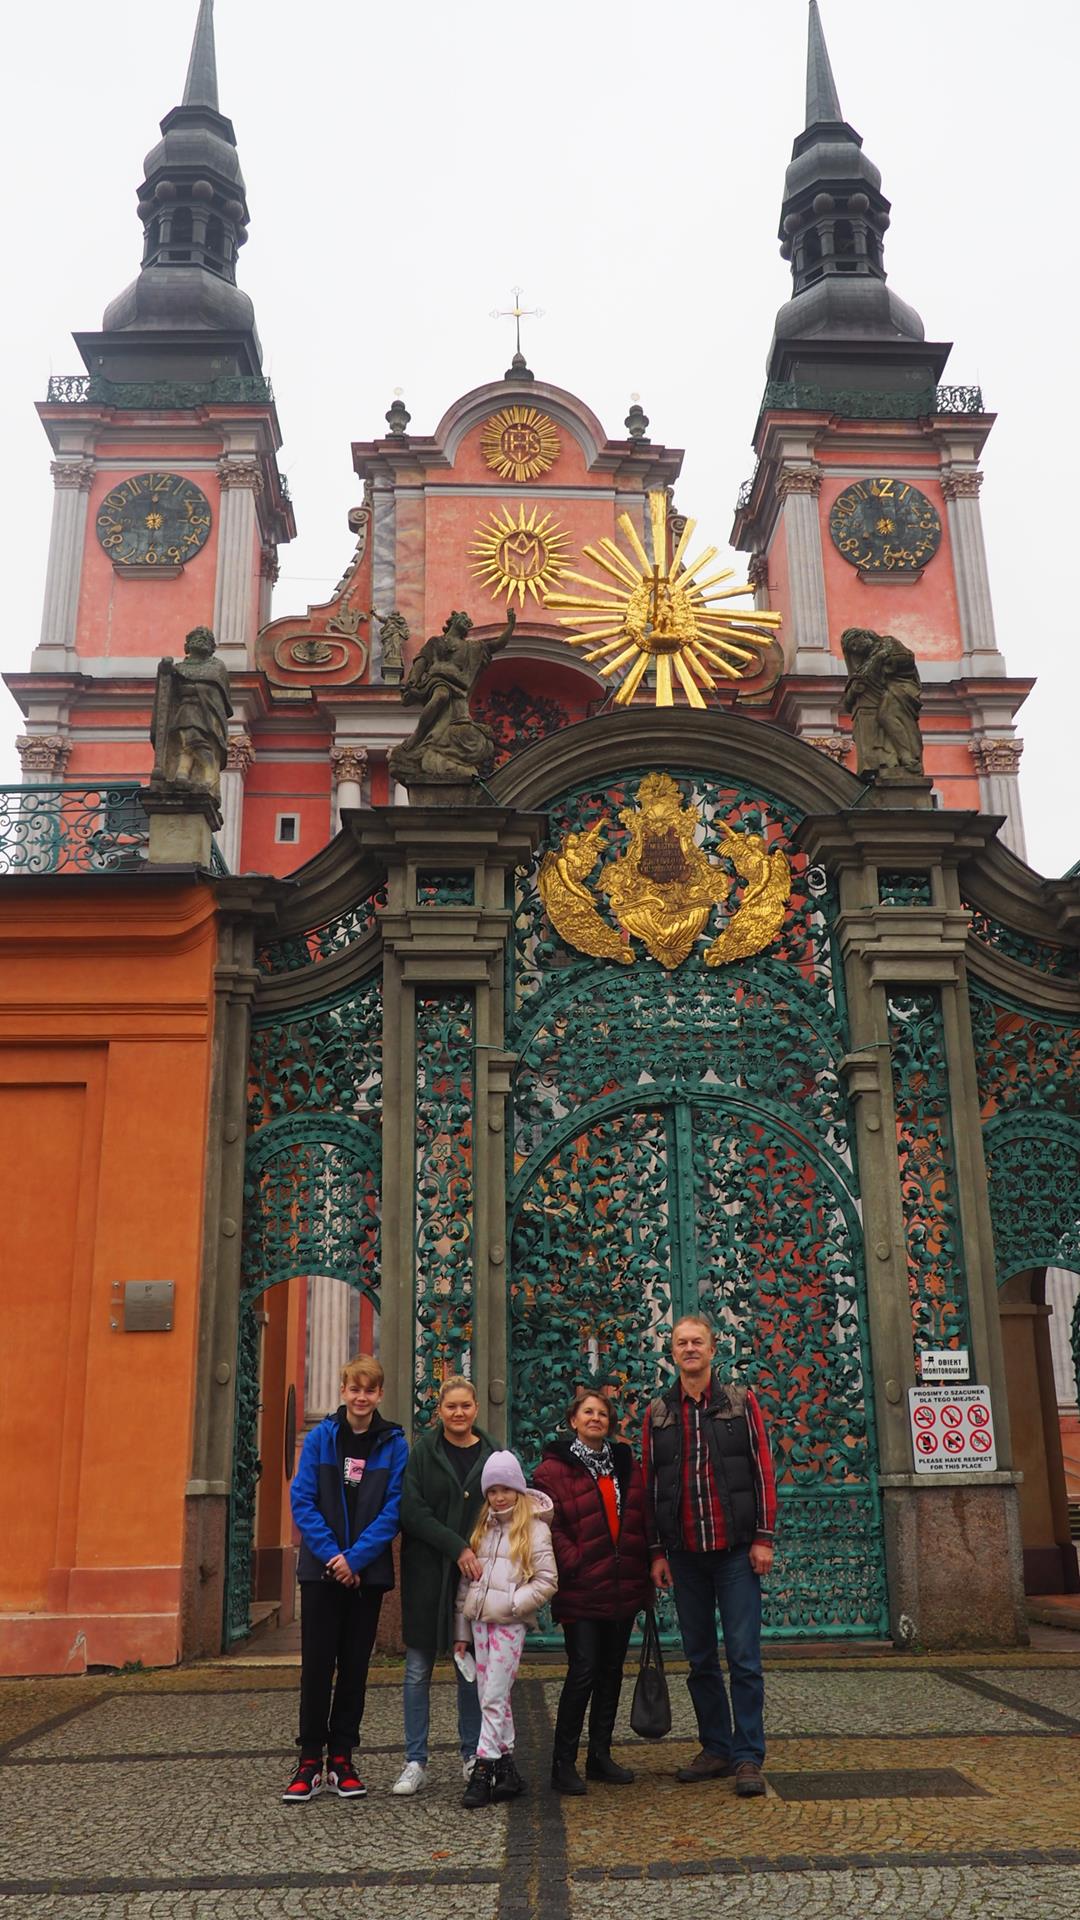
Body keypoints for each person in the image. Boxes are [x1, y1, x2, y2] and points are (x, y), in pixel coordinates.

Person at [644, 1315, 777, 1798]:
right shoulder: (658, 1411)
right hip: (684, 1555)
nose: (689, 1348)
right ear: (673, 1352)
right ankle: (717, 1747)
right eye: (681, 1342)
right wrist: (656, 1551)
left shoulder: (741, 1402)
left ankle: (748, 1756)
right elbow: (651, 1484)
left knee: (743, 1657)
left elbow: (762, 1470)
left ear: (712, 1349)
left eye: (697, 1341)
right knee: (699, 1658)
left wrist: (764, 1537)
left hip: (736, 1552)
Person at [283, 1353, 408, 1804]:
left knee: (355, 1667)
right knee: (317, 1667)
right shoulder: (322, 1438)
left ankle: (342, 1759)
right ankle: (309, 1761)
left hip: (366, 1574)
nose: (361, 1397)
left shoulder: (394, 1444)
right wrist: (335, 1556)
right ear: (343, 1391)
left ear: (379, 1394)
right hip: (321, 1571)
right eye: (354, 1389)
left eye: (369, 1390)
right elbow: (303, 1500)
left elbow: (394, 1508)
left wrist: (355, 1560)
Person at [533, 1387, 652, 1796]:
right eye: (587, 1412)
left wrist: (646, 1560)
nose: (595, 1418)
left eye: (602, 1413)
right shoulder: (553, 1470)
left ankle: (600, 1755)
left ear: (610, 1422)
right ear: (573, 1421)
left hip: (622, 1583)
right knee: (583, 1669)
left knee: (611, 1671)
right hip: (582, 1585)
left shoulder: (625, 1463)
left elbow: (641, 1514)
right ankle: (562, 1762)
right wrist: (576, 1560)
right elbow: (547, 1524)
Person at [394, 1375, 496, 1795]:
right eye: (451, 1406)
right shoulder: (423, 1452)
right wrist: (457, 1547)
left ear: (476, 1408)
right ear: (439, 1410)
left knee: (468, 1669)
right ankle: (415, 1759)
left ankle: (472, 1753)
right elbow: (412, 1510)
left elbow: (504, 1506)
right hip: (428, 1574)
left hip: (474, 1578)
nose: (458, 1413)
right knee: (418, 1669)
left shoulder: (491, 1453)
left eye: (465, 1406)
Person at [453, 1450, 557, 1809]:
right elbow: (467, 1583)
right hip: (480, 1622)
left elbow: (547, 1580)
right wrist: (462, 1632)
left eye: (506, 1489)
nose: (499, 1497)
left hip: (509, 1623)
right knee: (489, 1694)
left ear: (517, 1489)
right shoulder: (483, 1528)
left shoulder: (535, 1529)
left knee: (494, 1695)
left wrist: (514, 1603)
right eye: (493, 1491)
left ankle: (483, 1769)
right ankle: (508, 1769)